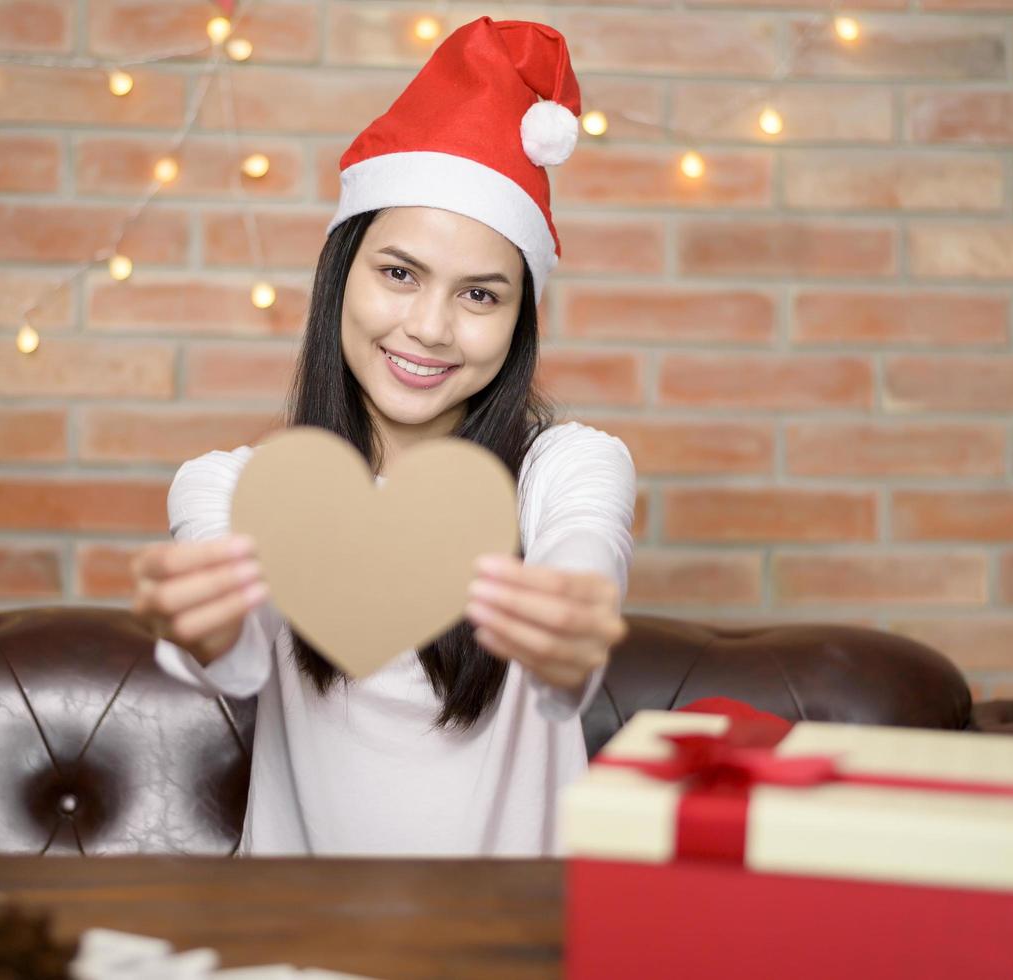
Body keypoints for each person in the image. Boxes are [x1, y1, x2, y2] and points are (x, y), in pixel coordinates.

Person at [130, 16, 636, 857]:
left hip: (515, 945)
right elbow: (240, 648)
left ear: (518, 321)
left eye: (479, 295)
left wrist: (570, 621)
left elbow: (584, 555)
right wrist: (207, 621)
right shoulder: (233, 487)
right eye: (398, 274)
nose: (429, 328)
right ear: (341, 277)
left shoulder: (566, 467)